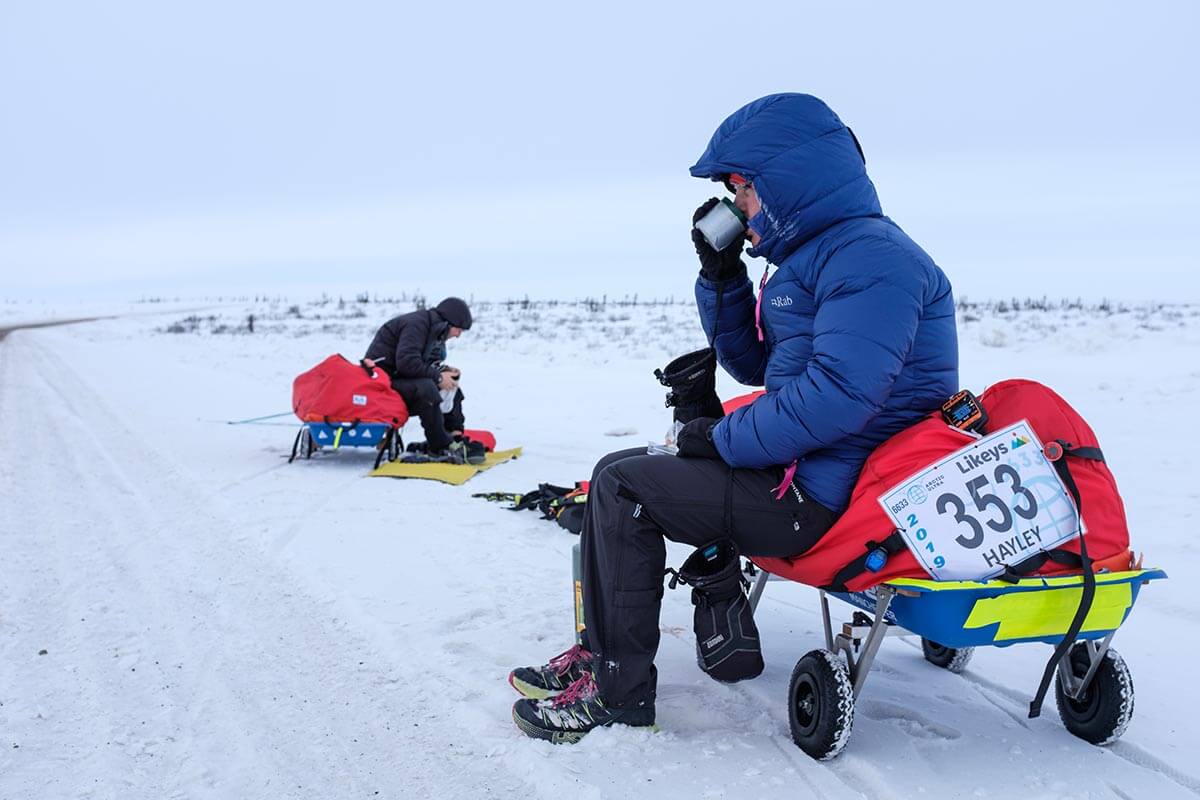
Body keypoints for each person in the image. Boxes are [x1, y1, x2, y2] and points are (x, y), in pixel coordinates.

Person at [509, 93, 959, 742]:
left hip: (831, 498)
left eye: (741, 191)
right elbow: (755, 368)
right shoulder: (811, 260)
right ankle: (598, 652)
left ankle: (618, 693)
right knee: (615, 469)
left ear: (781, 180)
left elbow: (839, 396)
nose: (737, 208)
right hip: (801, 475)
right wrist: (721, 278)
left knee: (625, 487)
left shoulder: (871, 258)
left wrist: (719, 438)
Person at [363, 297, 482, 462]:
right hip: (382, 385)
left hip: (400, 379)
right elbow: (406, 363)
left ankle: (453, 437)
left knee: (451, 386)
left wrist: (443, 371)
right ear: (447, 323)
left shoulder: (432, 330)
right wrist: (438, 377)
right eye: (458, 329)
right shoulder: (416, 325)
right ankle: (440, 446)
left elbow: (421, 364)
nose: (458, 335)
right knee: (427, 388)